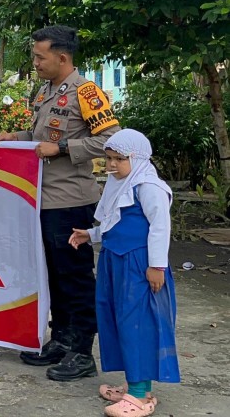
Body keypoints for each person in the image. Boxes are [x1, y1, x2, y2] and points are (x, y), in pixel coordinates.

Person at [0, 25, 120, 381]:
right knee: (52, 275)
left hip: (71, 201)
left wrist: (64, 148)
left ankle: (82, 351)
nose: (34, 62)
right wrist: (14, 138)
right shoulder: (46, 91)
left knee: (75, 277)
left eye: (39, 56)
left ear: (62, 57)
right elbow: (40, 138)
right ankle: (61, 339)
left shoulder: (87, 92)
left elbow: (113, 141)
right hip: (42, 199)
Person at [69, 130, 179, 417]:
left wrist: (157, 267)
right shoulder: (119, 185)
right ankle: (133, 384)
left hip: (138, 265)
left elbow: (159, 228)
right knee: (116, 319)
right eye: (108, 158)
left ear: (138, 158)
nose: (112, 165)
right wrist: (90, 234)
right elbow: (112, 221)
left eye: (120, 159)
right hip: (114, 262)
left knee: (137, 323)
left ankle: (141, 396)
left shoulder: (148, 187)